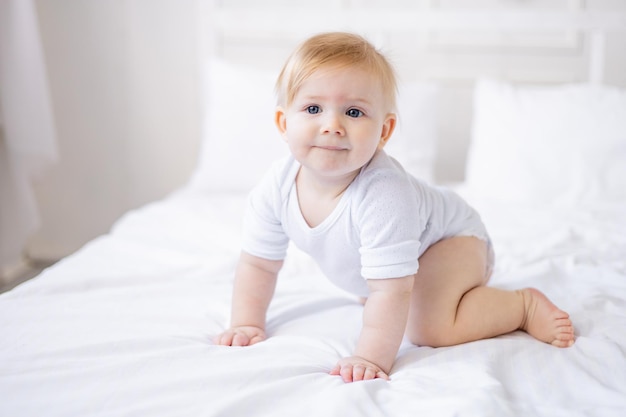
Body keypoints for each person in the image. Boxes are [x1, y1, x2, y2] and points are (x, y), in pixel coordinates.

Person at [215, 32, 575, 383]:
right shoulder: (276, 186)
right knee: (381, 283)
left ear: (384, 132)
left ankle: (522, 306)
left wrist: (370, 357)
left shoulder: (383, 194)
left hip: (452, 241)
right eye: (313, 108)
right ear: (283, 123)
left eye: (354, 112)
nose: (332, 126)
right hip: (404, 252)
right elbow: (258, 263)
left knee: (428, 326)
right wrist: (247, 321)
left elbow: (392, 291)